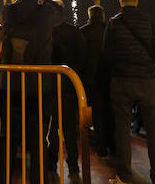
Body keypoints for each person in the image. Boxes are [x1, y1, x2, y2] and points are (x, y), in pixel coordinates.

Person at [0, 0, 64, 184]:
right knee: (38, 141)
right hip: (37, 86)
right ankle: (37, 179)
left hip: (9, 83)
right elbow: (61, 12)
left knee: (7, 136)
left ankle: (2, 178)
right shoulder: (46, 12)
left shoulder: (9, 11)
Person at [103, 0, 155, 184]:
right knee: (153, 130)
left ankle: (124, 177)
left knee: (122, 130)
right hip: (147, 81)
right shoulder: (148, 22)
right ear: (136, 1)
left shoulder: (114, 23)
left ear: (121, 1)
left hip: (122, 81)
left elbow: (107, 53)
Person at [50, 15, 88, 182]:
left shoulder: (49, 32)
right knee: (70, 129)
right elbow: (82, 56)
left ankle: (51, 162)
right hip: (71, 86)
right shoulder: (75, 32)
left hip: (52, 86)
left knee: (52, 127)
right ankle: (73, 164)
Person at [81, 5, 113, 158]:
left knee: (97, 112)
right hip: (109, 77)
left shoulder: (83, 32)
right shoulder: (110, 29)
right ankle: (112, 144)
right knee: (110, 111)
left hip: (91, 78)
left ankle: (100, 146)